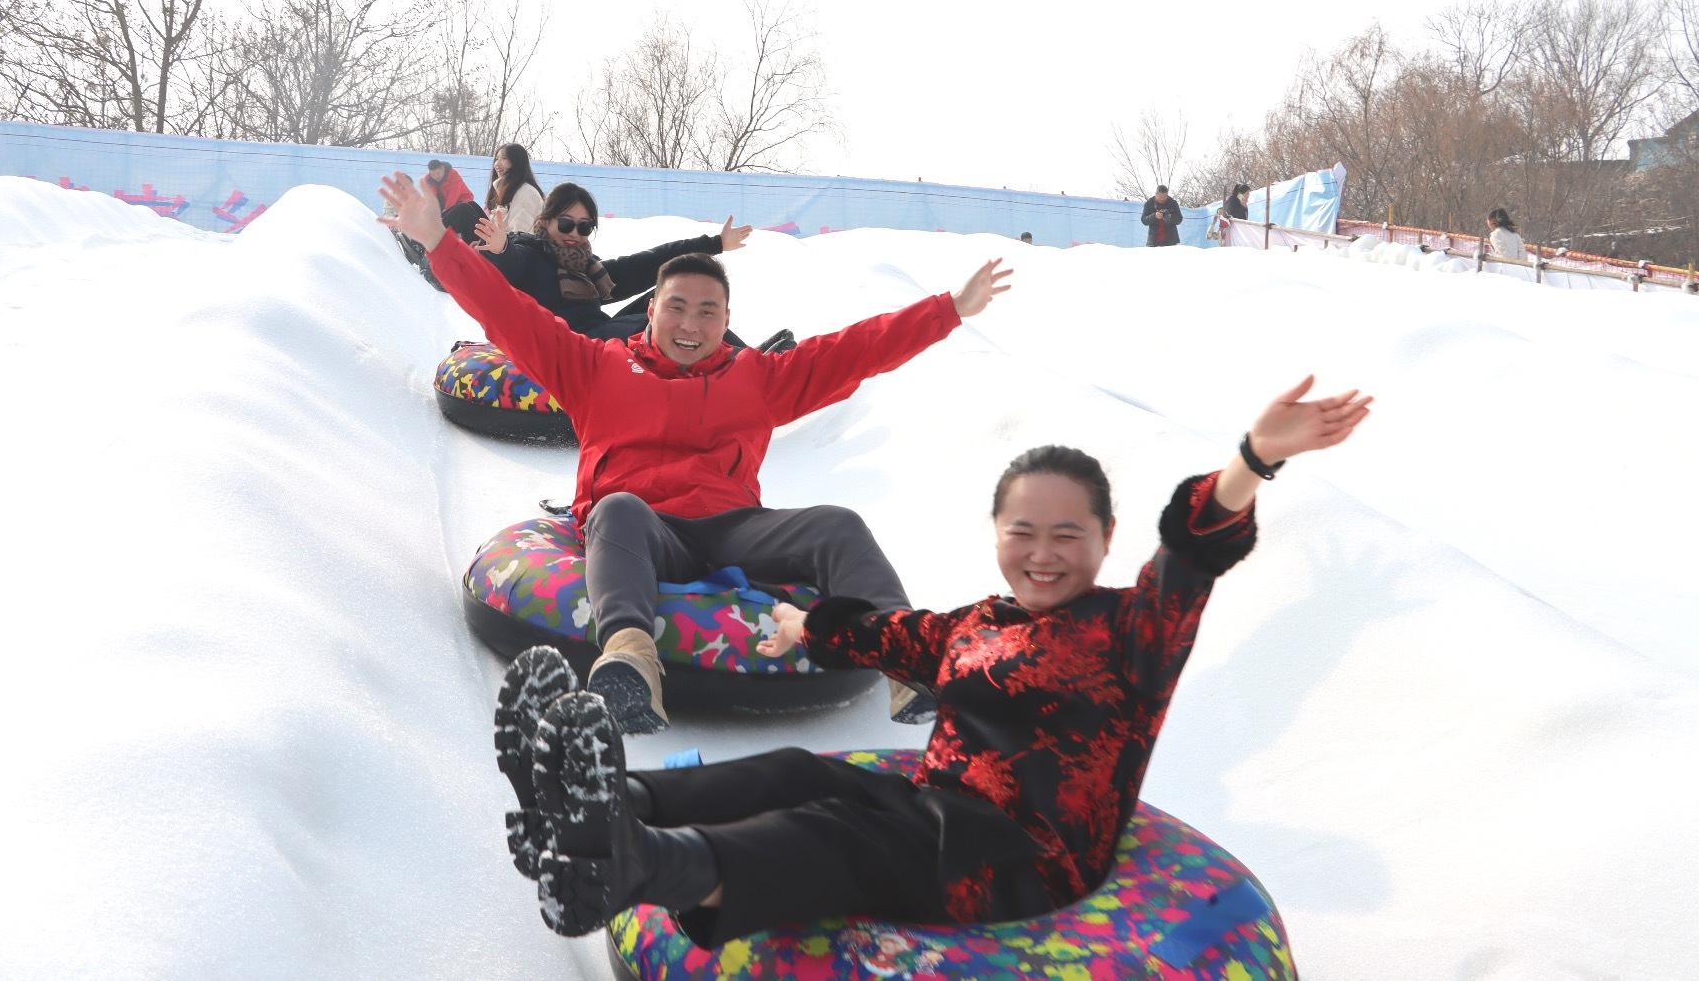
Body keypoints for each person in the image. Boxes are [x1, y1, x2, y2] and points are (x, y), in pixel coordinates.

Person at [498, 378, 1371, 945]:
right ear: (998, 535)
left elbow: (1192, 554)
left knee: (844, 836)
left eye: (1068, 534)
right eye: (1022, 531)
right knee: (801, 772)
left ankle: (639, 862)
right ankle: (607, 799)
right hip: (943, 802)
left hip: (1026, 856)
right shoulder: (982, 623)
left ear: (1105, 540)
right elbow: (894, 636)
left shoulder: (1135, 632)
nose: (1042, 553)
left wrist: (1252, 460)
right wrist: (806, 630)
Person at [380, 170, 1011, 733]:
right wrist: (440, 241)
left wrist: (949, 309)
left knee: (838, 526)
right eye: (676, 307)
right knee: (618, 508)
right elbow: (508, 314)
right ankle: (629, 660)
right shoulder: (593, 365)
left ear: (726, 318)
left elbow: (855, 350)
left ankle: (908, 661)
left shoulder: (756, 377)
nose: (690, 324)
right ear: (649, 311)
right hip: (640, 529)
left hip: (731, 528)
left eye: (708, 312)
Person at [466, 181, 789, 351]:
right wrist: (499, 248)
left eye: (584, 226)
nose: (574, 234)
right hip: (568, 346)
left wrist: (715, 244)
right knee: (647, 324)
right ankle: (753, 367)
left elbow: (653, 259)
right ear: (546, 221)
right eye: (566, 224)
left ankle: (744, 360)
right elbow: (511, 266)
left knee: (666, 299)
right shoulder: (531, 253)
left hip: (596, 334)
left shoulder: (588, 270)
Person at [486, 143, 545, 237]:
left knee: (464, 210)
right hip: (501, 245)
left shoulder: (525, 192)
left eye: (504, 158)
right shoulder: (506, 190)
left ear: (517, 162)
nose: (497, 164)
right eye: (497, 159)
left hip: (515, 248)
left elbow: (519, 233)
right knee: (469, 208)